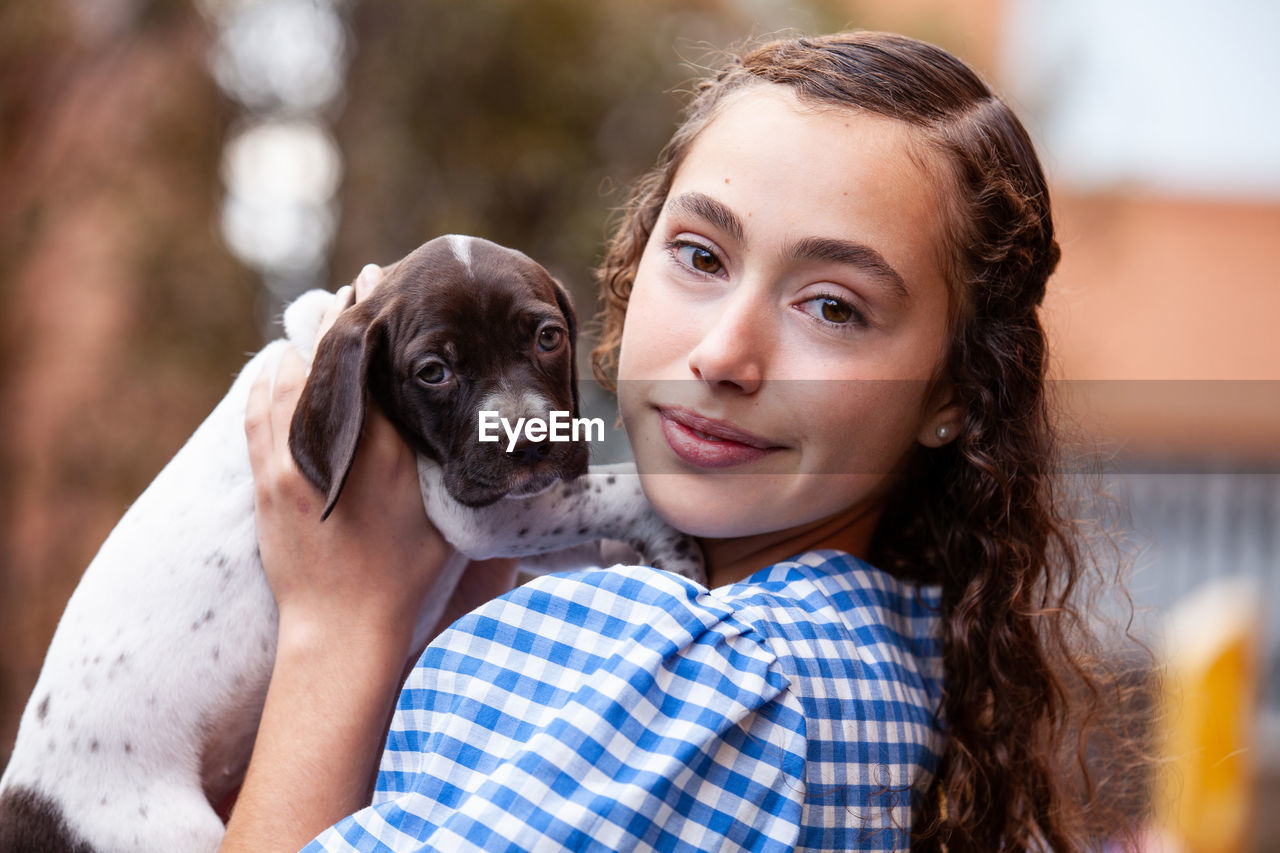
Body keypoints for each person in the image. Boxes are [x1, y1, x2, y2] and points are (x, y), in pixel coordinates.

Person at [220, 31, 1141, 852]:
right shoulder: (901, 659)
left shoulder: (688, 680)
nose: (723, 353)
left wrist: (336, 625)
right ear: (633, 262)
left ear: (955, 394)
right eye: (702, 256)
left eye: (833, 307)